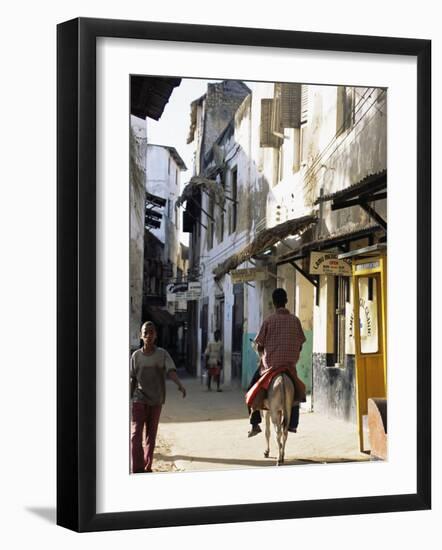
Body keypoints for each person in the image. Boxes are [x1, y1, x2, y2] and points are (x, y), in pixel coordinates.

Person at [247, 288, 306, 438]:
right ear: (286, 301)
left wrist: (263, 353)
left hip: (271, 368)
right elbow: (300, 344)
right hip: (289, 367)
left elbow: (259, 344)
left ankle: (255, 423)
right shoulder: (295, 320)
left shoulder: (268, 321)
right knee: (297, 393)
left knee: (251, 388)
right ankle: (293, 424)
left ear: (274, 303)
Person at [130, 321, 186, 473]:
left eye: (151, 332)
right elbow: (132, 378)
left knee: (151, 436)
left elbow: (171, 371)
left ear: (155, 335)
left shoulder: (162, 354)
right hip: (139, 399)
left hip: (156, 400)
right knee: (135, 436)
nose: (148, 335)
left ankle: (147, 466)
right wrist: (128, 396)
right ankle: (137, 467)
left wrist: (179, 384)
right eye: (145, 332)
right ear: (141, 336)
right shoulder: (135, 356)